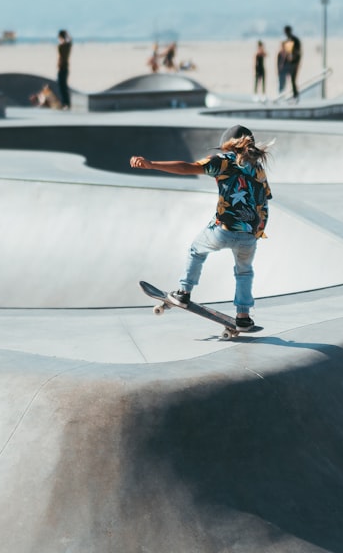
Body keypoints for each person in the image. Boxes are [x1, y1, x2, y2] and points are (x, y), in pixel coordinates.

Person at [129, 124, 273, 330]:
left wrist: (151, 164)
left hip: (223, 230)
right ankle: (243, 316)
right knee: (244, 272)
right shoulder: (258, 169)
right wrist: (257, 232)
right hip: (250, 235)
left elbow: (186, 167)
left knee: (196, 250)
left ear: (227, 146)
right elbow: (264, 202)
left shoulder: (223, 161)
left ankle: (184, 292)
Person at [282, 25, 301, 98]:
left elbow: (297, 52)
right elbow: (287, 53)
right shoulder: (288, 40)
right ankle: (294, 94)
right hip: (290, 63)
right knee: (291, 79)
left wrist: (296, 62)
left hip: (294, 63)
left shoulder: (294, 40)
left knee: (293, 79)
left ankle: (295, 95)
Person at [56, 29, 72, 108]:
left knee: (63, 86)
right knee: (62, 85)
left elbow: (60, 58)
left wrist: (66, 35)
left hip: (63, 67)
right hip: (63, 67)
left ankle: (66, 103)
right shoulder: (66, 45)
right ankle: (65, 103)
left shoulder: (63, 46)